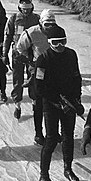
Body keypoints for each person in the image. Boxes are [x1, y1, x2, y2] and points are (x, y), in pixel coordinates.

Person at [34, 25, 83, 181]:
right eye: (56, 43)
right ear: (50, 43)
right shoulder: (43, 59)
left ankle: (68, 168)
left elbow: (77, 78)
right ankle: (44, 176)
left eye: (63, 42)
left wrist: (76, 100)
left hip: (68, 102)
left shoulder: (71, 55)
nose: (60, 46)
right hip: (51, 104)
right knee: (52, 138)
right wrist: (58, 102)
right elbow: (39, 88)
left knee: (68, 136)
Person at [16, 9, 58, 145]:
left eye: (52, 24)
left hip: (53, 71)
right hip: (37, 72)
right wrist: (29, 60)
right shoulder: (31, 32)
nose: (50, 27)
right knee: (38, 104)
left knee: (54, 103)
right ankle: (38, 133)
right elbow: (19, 47)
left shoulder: (58, 32)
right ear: (41, 23)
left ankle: (54, 132)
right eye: (47, 24)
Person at [3, 0, 40, 118]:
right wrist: (4, 53)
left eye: (28, 8)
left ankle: (35, 102)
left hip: (32, 55)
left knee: (33, 79)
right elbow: (8, 37)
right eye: (23, 8)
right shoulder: (13, 19)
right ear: (20, 8)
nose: (25, 10)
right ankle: (17, 105)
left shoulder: (37, 19)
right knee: (17, 80)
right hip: (17, 54)